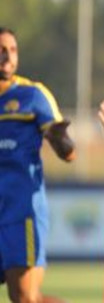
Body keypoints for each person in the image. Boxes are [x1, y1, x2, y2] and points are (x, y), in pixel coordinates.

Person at [0, 27, 74, 303]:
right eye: (1, 50)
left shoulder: (32, 95)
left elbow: (68, 153)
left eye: (12, 50)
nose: (8, 56)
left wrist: (60, 139)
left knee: (24, 297)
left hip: (20, 212)